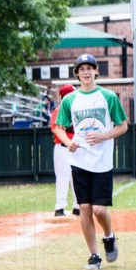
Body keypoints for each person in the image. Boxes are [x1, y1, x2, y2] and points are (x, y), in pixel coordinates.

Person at [52, 54, 128, 270]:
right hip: (79, 159)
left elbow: (123, 126)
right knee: (84, 207)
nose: (85, 72)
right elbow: (59, 127)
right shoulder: (70, 100)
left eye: (89, 68)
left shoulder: (108, 97)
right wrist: (68, 142)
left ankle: (109, 235)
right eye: (81, 69)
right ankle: (94, 255)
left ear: (96, 71)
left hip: (102, 161)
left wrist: (103, 136)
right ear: (76, 74)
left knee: (99, 210)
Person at [52, 84, 80, 217]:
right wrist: (68, 142)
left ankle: (77, 206)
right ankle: (60, 208)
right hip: (63, 149)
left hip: (75, 149)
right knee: (63, 178)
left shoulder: (76, 110)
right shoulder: (58, 110)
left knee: (76, 177)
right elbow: (55, 129)